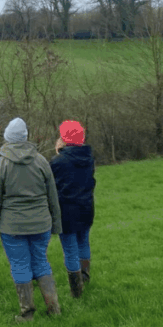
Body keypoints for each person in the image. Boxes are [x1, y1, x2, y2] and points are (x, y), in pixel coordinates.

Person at [0, 117, 62, 321]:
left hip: (12, 227)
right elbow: (52, 196)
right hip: (41, 224)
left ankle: (27, 313)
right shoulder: (41, 161)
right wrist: (56, 224)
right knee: (41, 262)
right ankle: (54, 308)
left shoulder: (0, 166)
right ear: (26, 137)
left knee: (20, 265)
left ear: (7, 138)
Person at [51, 120, 96, 299]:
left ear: (64, 138)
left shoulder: (58, 161)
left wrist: (58, 153)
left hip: (67, 212)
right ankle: (84, 277)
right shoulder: (88, 157)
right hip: (86, 208)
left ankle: (76, 290)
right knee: (83, 242)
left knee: (70, 248)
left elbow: (53, 183)